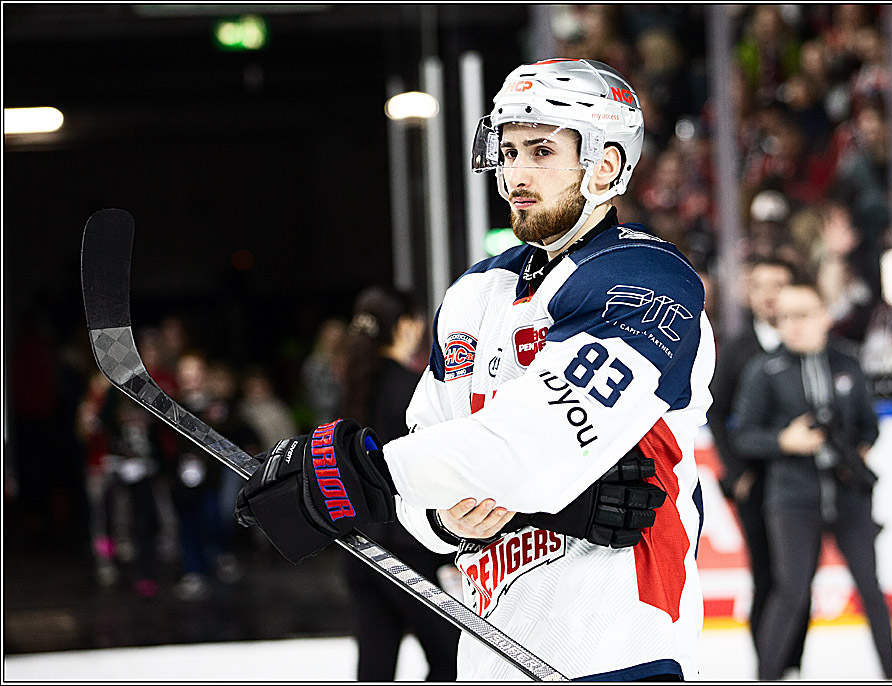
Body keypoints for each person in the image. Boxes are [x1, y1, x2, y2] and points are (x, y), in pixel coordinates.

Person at [234, 58, 714, 681]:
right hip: (493, 649)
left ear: (604, 164)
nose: (516, 171)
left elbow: (538, 442)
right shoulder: (475, 294)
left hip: (620, 644)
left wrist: (371, 474)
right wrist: (444, 515)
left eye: (542, 150)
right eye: (508, 150)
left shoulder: (651, 281)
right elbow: (429, 476)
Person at [732, 282, 892, 681]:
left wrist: (859, 452)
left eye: (802, 314)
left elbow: (870, 425)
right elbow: (744, 434)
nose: (793, 325)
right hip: (791, 497)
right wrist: (784, 441)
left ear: (824, 315)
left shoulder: (847, 363)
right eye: (784, 317)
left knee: (870, 589)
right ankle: (767, 674)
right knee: (789, 590)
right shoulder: (766, 369)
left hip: (849, 497)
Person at [340, 285, 460, 681]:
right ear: (406, 327)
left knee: (374, 670)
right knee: (449, 660)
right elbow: (432, 471)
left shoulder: (350, 393)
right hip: (408, 551)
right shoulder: (414, 392)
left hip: (358, 546)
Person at [706, 256, 810, 677]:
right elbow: (714, 410)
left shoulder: (803, 342)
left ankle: (794, 665)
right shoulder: (738, 347)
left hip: (799, 480)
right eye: (761, 284)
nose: (769, 293)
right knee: (767, 577)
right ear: (750, 293)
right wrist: (737, 474)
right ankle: (768, 666)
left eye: (778, 284)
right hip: (756, 482)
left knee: (799, 580)